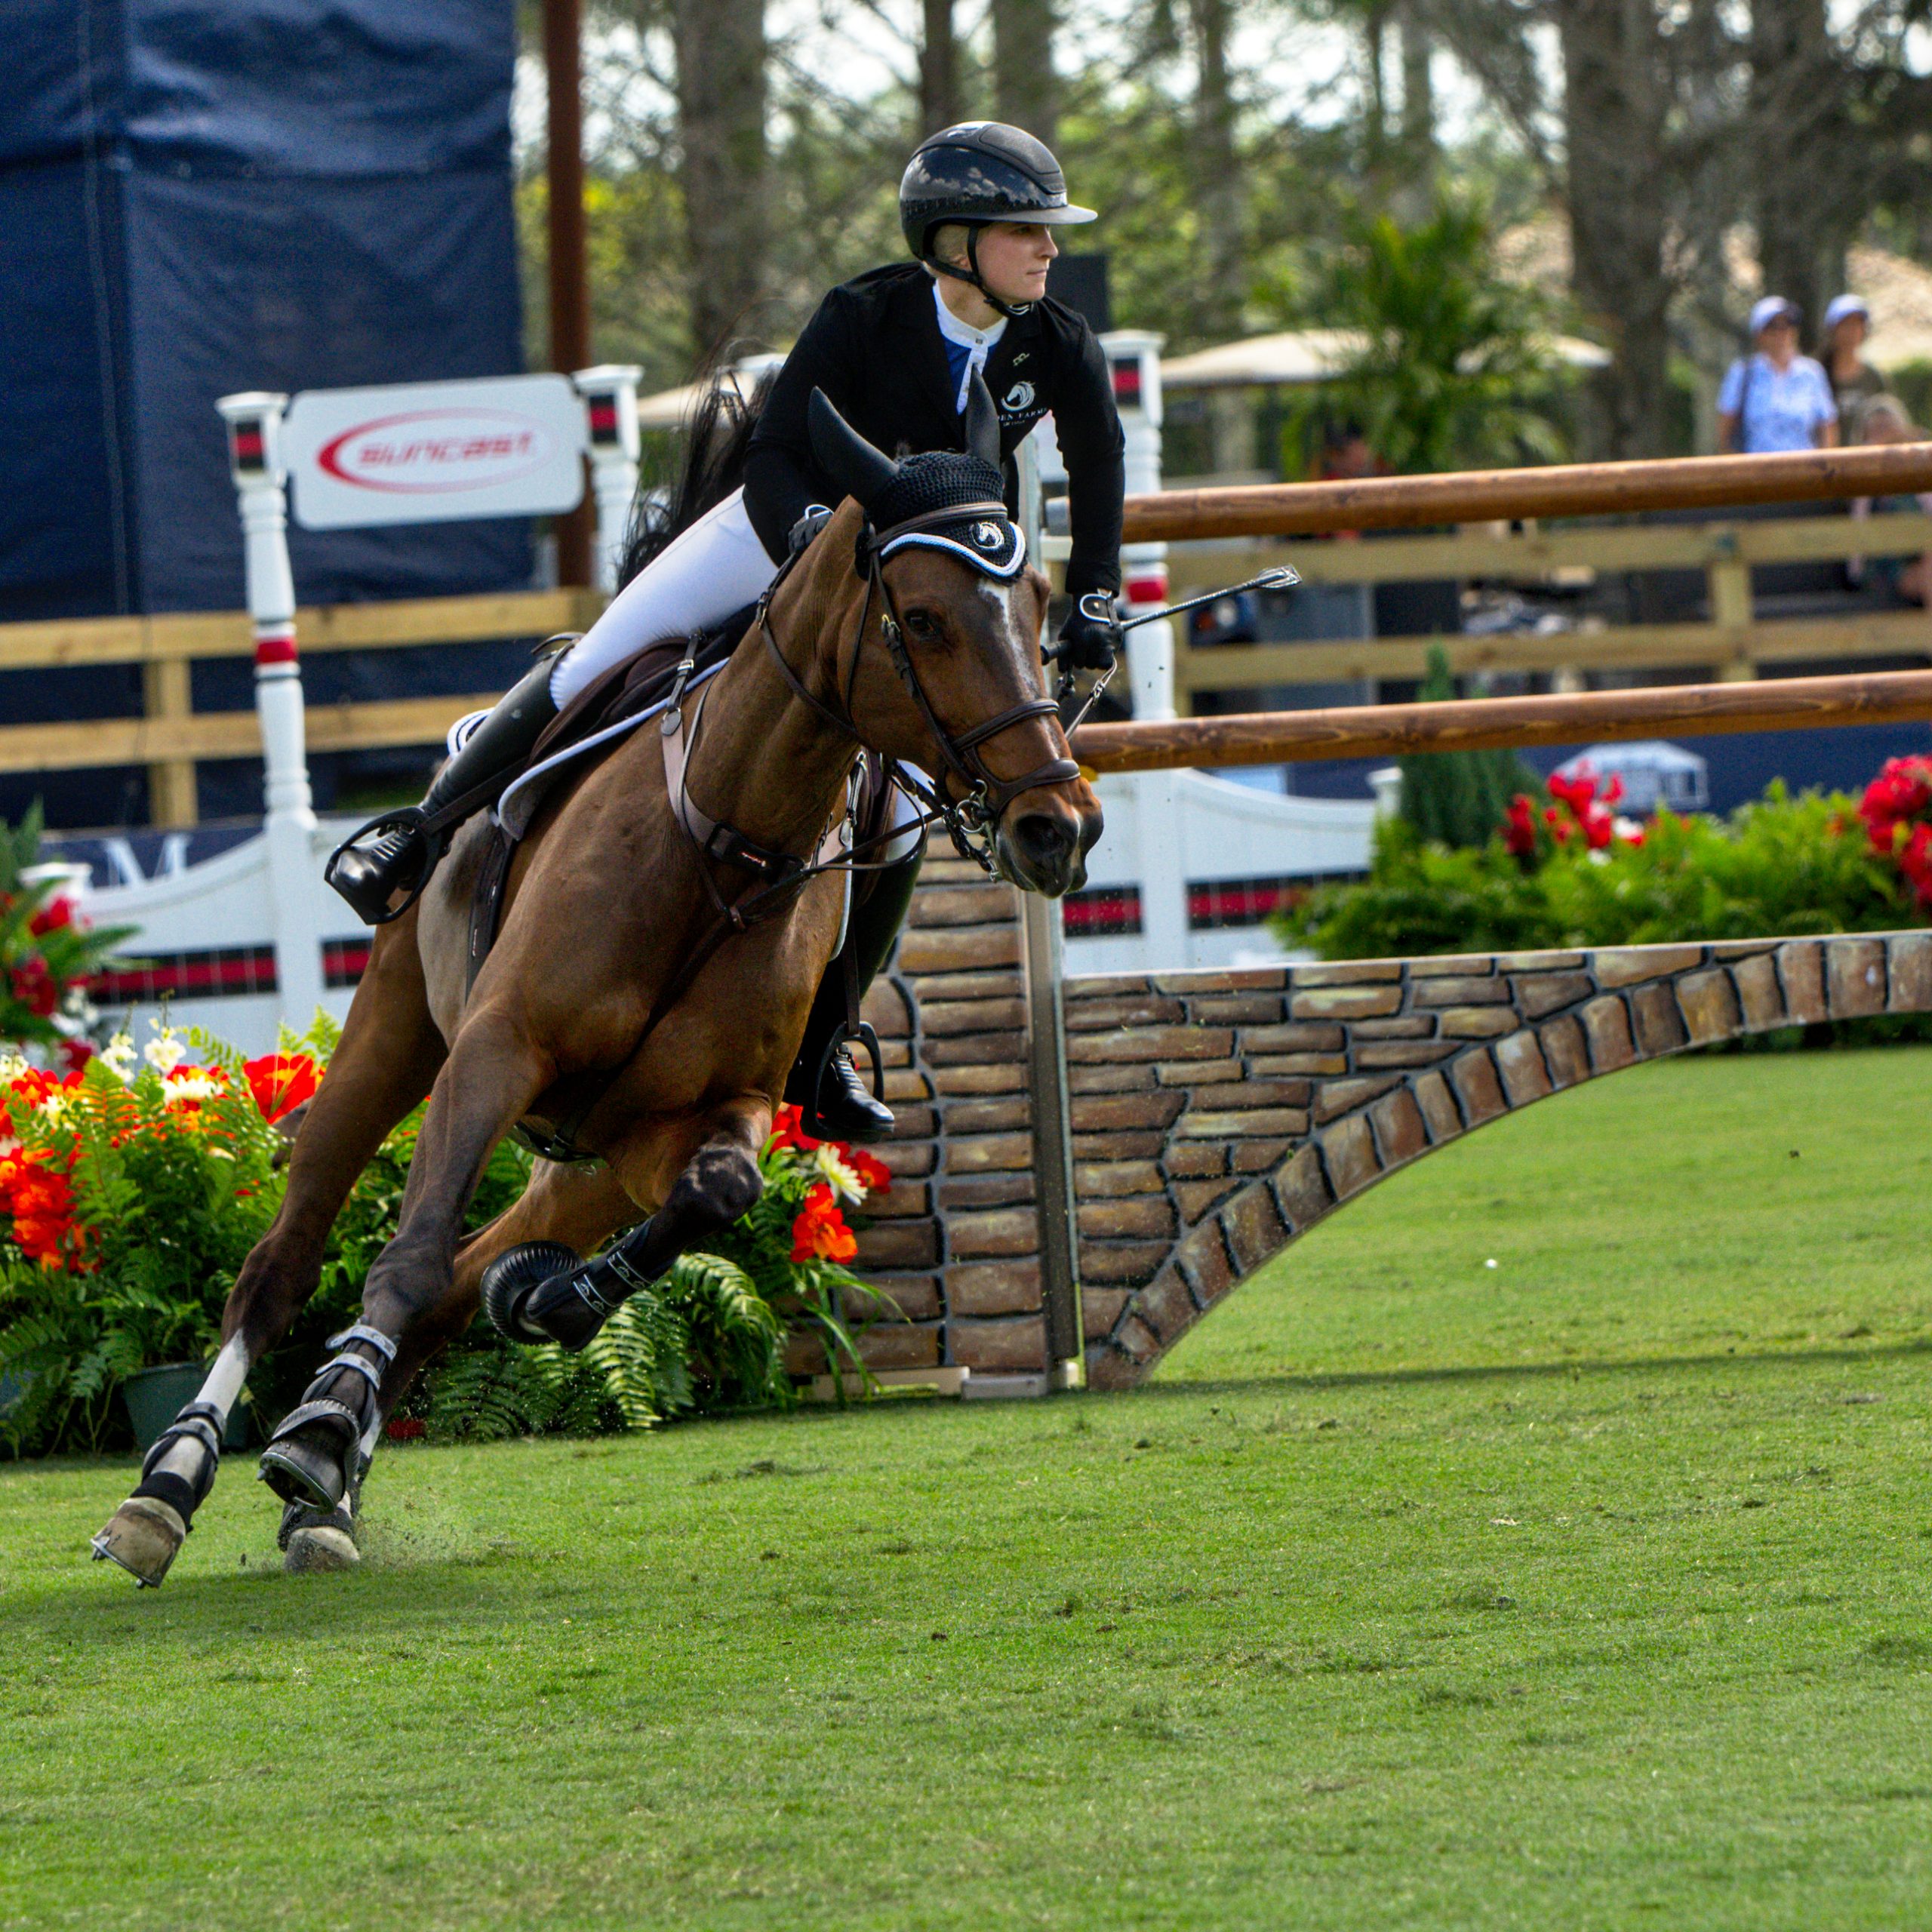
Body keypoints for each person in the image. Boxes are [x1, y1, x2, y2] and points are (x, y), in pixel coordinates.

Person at [325, 121, 1125, 1143]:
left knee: (891, 821)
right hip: (788, 532)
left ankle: (827, 1045)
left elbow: (1097, 463)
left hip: (933, 580)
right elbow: (781, 451)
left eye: (1049, 233)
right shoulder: (862, 316)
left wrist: (1093, 598)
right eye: (1027, 231)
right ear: (955, 241)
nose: (1048, 250)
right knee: (598, 659)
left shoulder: (1054, 340)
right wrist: (807, 546)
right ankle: (419, 832)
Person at [1715, 297, 1838, 455]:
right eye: (1773, 327)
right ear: (1758, 333)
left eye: (1788, 325)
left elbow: (1827, 426)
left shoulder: (1812, 373)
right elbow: (1725, 430)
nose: (1782, 333)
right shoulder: (1742, 373)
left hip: (1803, 472)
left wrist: (1823, 469)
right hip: (1756, 472)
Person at [1847, 394, 1930, 607]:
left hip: (1920, 559)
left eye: (1890, 428)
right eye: (1877, 429)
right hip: (1883, 566)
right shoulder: (1860, 482)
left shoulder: (1919, 482)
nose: (1885, 436)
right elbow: (1861, 537)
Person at [1818, 292, 1886, 423]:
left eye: (1857, 325)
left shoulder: (1874, 377)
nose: (1851, 332)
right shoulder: (1816, 373)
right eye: (1845, 325)